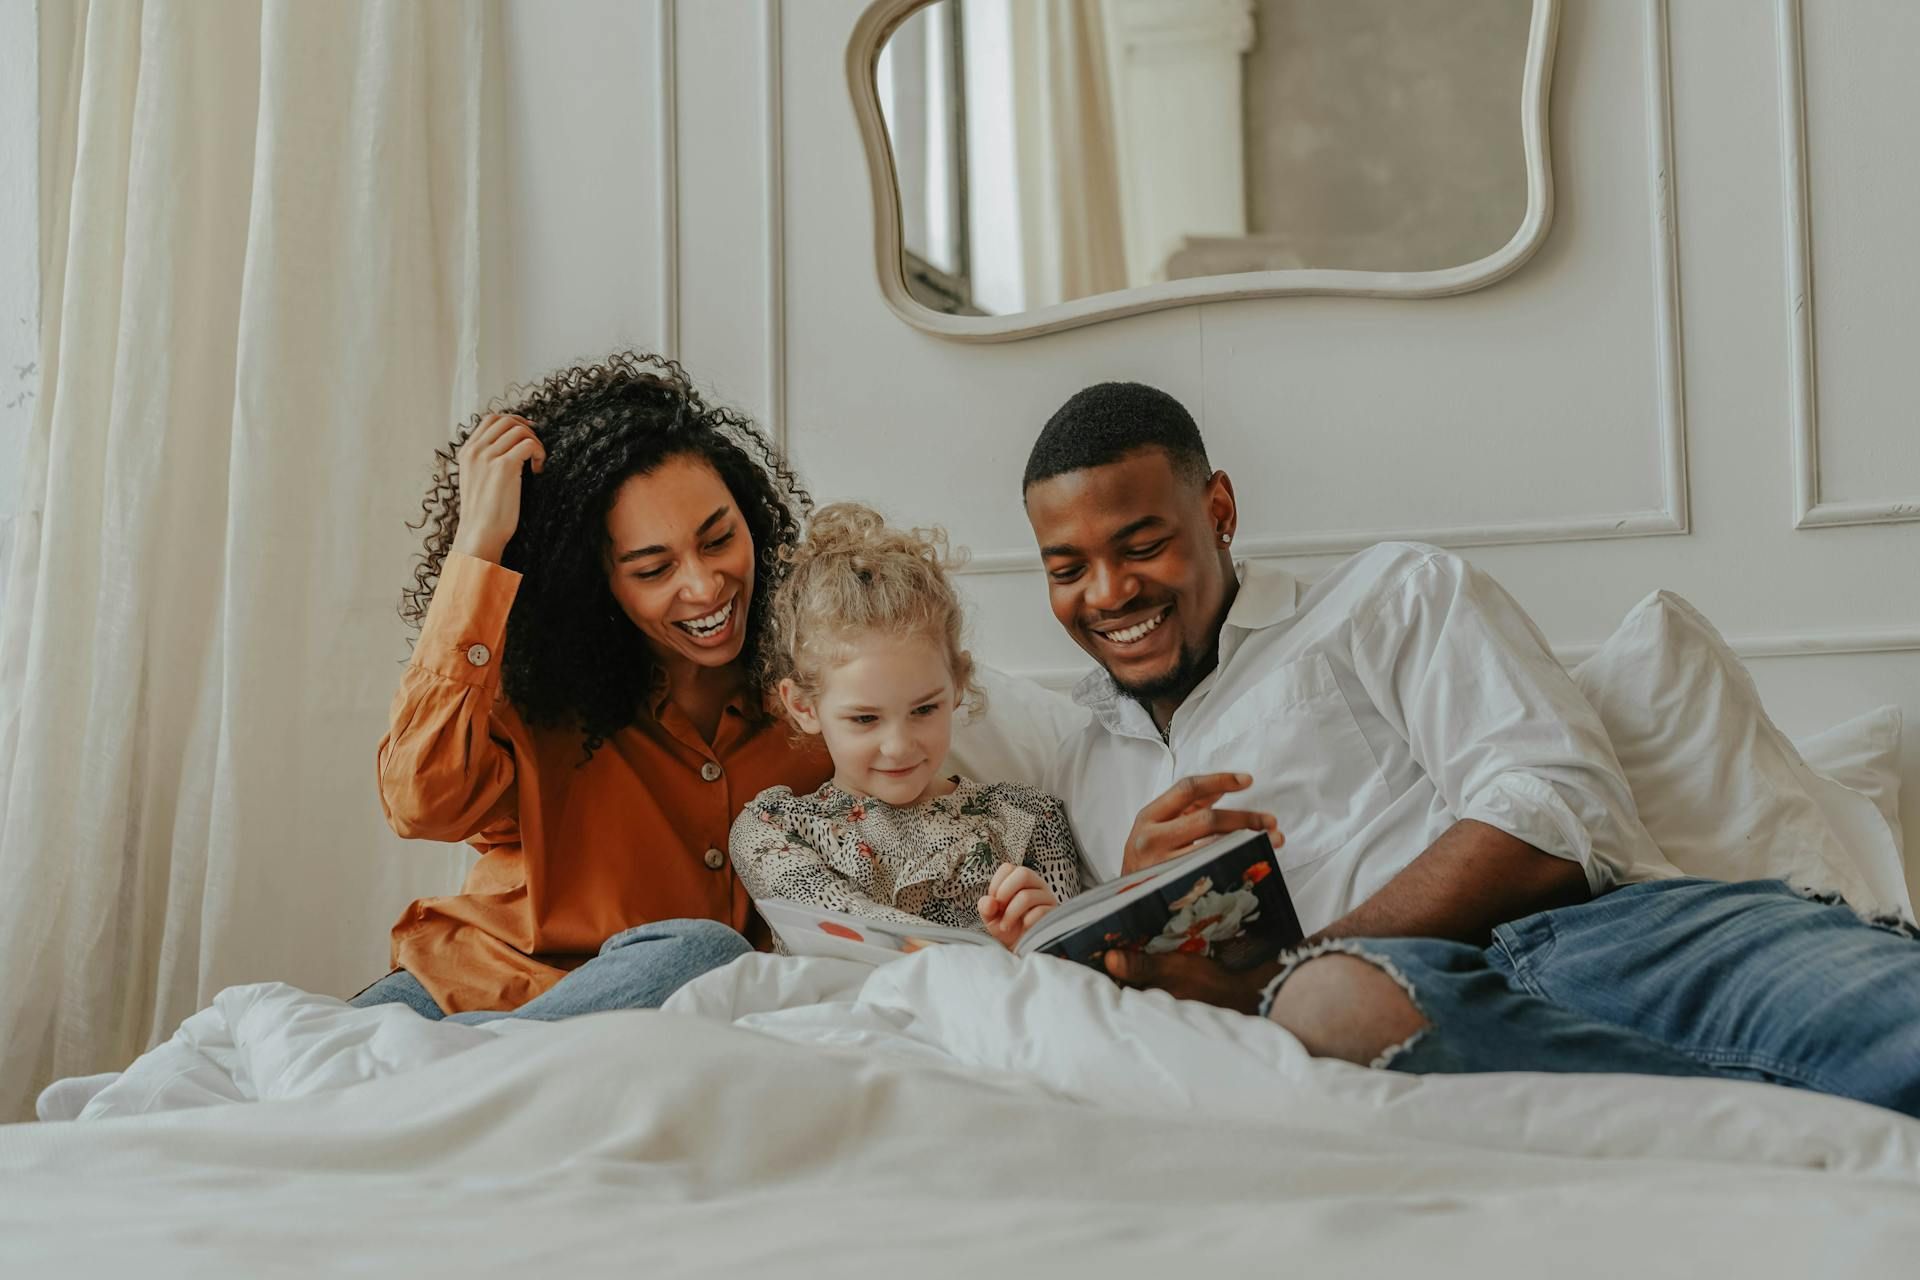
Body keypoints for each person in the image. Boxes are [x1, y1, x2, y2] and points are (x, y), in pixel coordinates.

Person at [1023, 380, 1920, 1117]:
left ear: (1218, 509)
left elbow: (1558, 813)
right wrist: (1133, 900)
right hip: (1370, 1022)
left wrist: (1299, 960)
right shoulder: (1081, 762)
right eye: (1067, 570)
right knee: (1333, 1004)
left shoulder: (1387, 596)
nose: (1108, 593)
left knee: (1886, 1022)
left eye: (1143, 547)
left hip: (1599, 939)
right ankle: (1759, 1132)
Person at [352, 351, 832, 1022]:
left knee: (706, 955)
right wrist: (478, 546)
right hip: (462, 991)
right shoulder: (545, 694)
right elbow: (422, 802)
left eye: (719, 540)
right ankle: (470, 1081)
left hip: (633, 1006)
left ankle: (468, 1083)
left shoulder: (816, 700)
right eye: (653, 568)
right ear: (598, 584)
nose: (702, 586)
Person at [730, 503, 1081, 949]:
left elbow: (1072, 978)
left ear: (958, 685)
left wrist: (1040, 937)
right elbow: (856, 935)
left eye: (923, 710)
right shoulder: (773, 830)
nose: (898, 747)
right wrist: (982, 955)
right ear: (803, 706)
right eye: (865, 718)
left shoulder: (1030, 819)